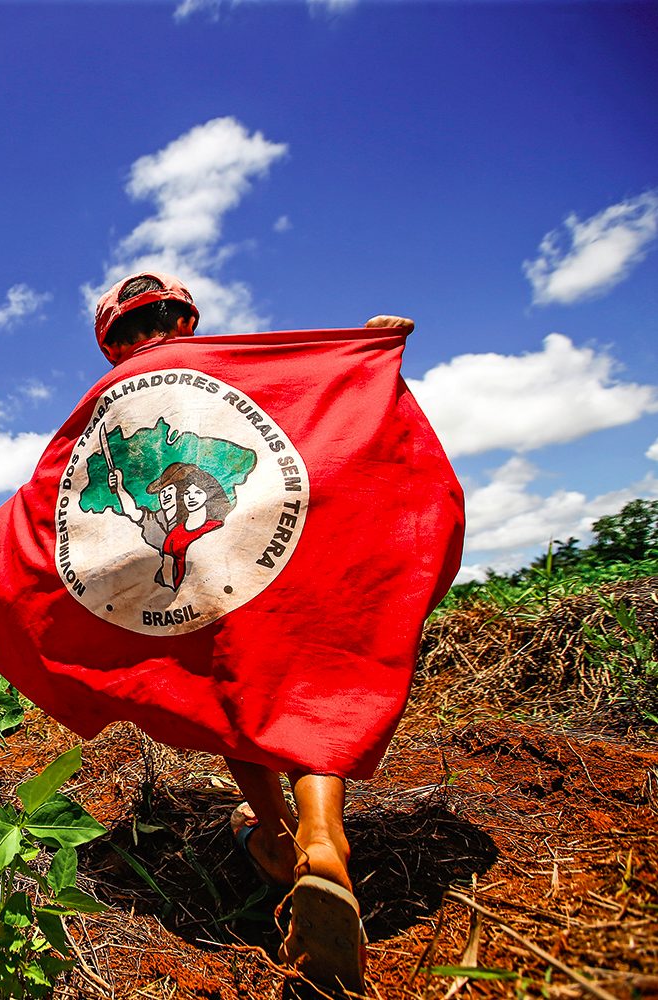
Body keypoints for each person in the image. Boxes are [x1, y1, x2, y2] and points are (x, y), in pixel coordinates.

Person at [98, 272, 418, 993]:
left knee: (230, 693)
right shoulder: (235, 374)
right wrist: (364, 360)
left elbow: (78, 505)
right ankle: (323, 838)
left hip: (196, 577)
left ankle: (273, 839)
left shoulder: (114, 412)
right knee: (303, 681)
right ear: (184, 320)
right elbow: (319, 420)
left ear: (110, 343)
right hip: (271, 550)